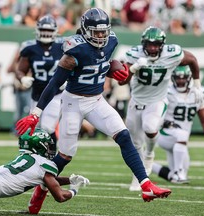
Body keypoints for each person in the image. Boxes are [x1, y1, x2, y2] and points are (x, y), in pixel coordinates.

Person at [15, 8, 172, 214]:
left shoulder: (112, 41)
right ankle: (37, 197)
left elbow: (103, 63)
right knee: (64, 157)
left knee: (124, 136)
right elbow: (54, 84)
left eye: (103, 31)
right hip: (73, 103)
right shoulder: (74, 51)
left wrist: (114, 68)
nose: (101, 36)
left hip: (97, 100)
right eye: (96, 32)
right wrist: (36, 113)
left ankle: (146, 186)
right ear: (85, 30)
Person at [119, 26, 203, 191]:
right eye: (149, 45)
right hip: (136, 100)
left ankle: (149, 154)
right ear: (143, 44)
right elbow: (122, 81)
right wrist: (134, 68)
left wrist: (198, 85)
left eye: (156, 44)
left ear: (162, 45)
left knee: (150, 128)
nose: (152, 48)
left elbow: (192, 59)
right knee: (135, 143)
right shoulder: (134, 54)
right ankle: (138, 176)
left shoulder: (172, 53)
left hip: (157, 100)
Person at [152, 65, 204, 183]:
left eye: (183, 78)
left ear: (189, 78)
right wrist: (163, 122)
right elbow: (155, 111)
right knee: (182, 135)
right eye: (178, 78)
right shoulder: (166, 92)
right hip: (165, 133)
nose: (180, 81)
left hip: (180, 139)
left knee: (182, 172)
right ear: (173, 78)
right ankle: (178, 173)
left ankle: (146, 163)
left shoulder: (197, 93)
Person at [17, 14, 64, 144]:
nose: (46, 33)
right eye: (43, 30)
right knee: (34, 129)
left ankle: (52, 156)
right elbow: (20, 69)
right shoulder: (30, 48)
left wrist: (68, 79)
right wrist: (22, 78)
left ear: (55, 31)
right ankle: (37, 157)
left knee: (47, 128)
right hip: (36, 95)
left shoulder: (62, 47)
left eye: (49, 30)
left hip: (55, 95)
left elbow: (73, 66)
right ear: (37, 30)